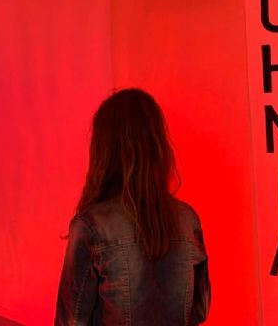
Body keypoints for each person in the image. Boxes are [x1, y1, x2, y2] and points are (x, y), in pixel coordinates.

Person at [55, 88, 210, 325]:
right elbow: (199, 311)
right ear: (157, 145)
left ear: (104, 152)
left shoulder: (91, 226)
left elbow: (71, 322)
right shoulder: (188, 219)